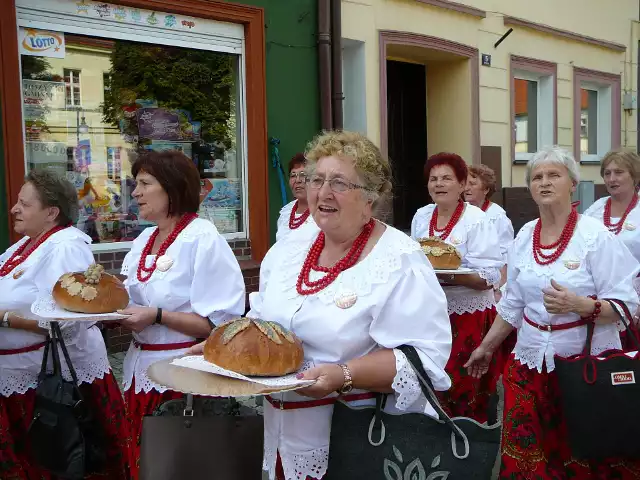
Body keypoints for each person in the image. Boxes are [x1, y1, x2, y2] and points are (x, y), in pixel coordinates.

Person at [192, 131, 452, 480]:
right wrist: (225, 344)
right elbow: (262, 318)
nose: (323, 192)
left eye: (340, 183)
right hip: (282, 439)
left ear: (370, 200)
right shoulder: (289, 249)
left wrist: (343, 375)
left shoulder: (399, 258)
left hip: (359, 442)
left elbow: (424, 359)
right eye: (317, 180)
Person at [465, 146, 640, 479]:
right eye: (537, 177)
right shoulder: (524, 235)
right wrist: (486, 347)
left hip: (581, 367)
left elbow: (626, 305)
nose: (544, 182)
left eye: (553, 175)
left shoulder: (595, 237)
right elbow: (513, 302)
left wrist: (582, 305)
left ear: (572, 183)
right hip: (528, 361)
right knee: (524, 457)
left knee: (582, 455)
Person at [117, 150, 246, 479]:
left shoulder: (202, 238)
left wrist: (158, 315)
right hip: (139, 373)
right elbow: (132, 299)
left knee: (178, 465)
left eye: (145, 183)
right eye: (136, 184)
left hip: (182, 377)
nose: (135, 192)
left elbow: (219, 326)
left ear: (171, 188)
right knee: (146, 465)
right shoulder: (145, 239)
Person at [0, 169, 128, 479]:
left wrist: (4, 319)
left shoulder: (65, 246)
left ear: (51, 212)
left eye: (24, 204)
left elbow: (67, 325)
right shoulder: (22, 247)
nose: (14, 209)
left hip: (51, 388)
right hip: (19, 381)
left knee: (61, 464)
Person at [411, 153, 503, 423]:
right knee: (431, 379)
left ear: (463, 184)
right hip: (430, 314)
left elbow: (487, 277)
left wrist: (446, 275)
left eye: (447, 179)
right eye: (433, 179)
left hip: (468, 316)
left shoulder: (476, 219)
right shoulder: (422, 216)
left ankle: (470, 441)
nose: (438, 184)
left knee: (463, 384)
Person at [584, 149, 640, 348]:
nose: (612, 178)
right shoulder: (595, 209)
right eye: (607, 173)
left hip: (634, 299)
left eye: (619, 172)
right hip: (600, 302)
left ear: (634, 175)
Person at [464, 164, 516, 360]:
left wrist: (497, 289)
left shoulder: (497, 216)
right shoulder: (462, 212)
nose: (466, 188)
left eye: (473, 183)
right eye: (465, 183)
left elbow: (506, 257)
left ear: (486, 189)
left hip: (491, 287)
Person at [276, 152, 317, 241]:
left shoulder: (322, 213)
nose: (297, 180)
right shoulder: (285, 213)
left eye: (303, 175)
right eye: (293, 175)